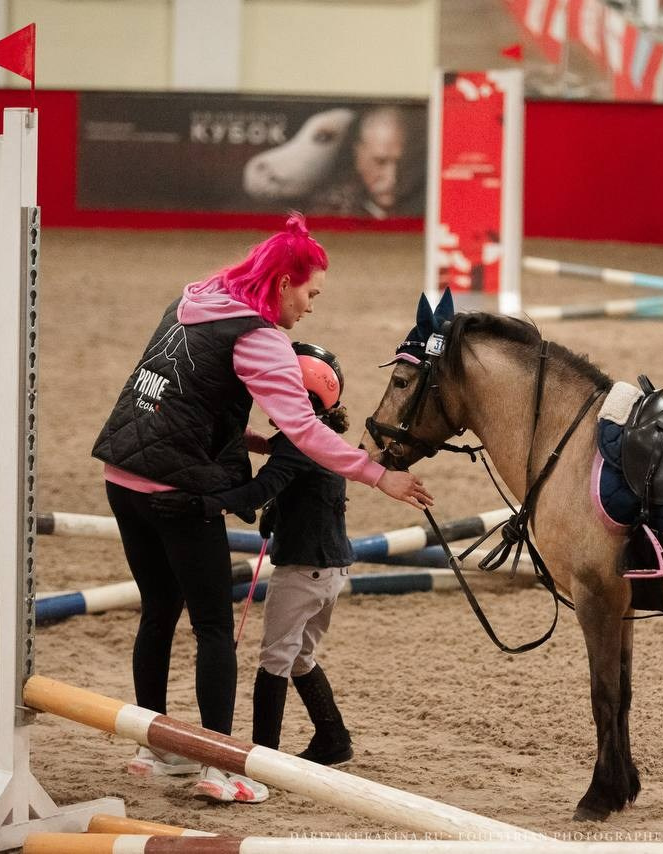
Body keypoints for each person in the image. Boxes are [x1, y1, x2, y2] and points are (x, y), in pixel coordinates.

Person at [91, 213, 431, 804]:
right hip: (177, 495)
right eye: (310, 292)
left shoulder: (194, 298)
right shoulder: (261, 337)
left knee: (158, 610)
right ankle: (220, 768)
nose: (311, 307)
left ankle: (155, 748)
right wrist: (380, 476)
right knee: (215, 628)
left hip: (121, 475)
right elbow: (304, 430)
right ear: (282, 283)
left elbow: (190, 394)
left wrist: (244, 440)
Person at [158, 342, 357, 767]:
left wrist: (208, 505)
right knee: (300, 656)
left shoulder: (298, 442)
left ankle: (262, 759)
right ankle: (333, 739)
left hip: (303, 570)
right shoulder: (317, 434)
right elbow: (289, 471)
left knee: (274, 660)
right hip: (331, 567)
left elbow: (263, 486)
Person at [314, 106, 424, 219]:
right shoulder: (333, 210)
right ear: (358, 155)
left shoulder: (422, 205)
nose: (392, 177)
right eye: (380, 162)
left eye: (401, 163)